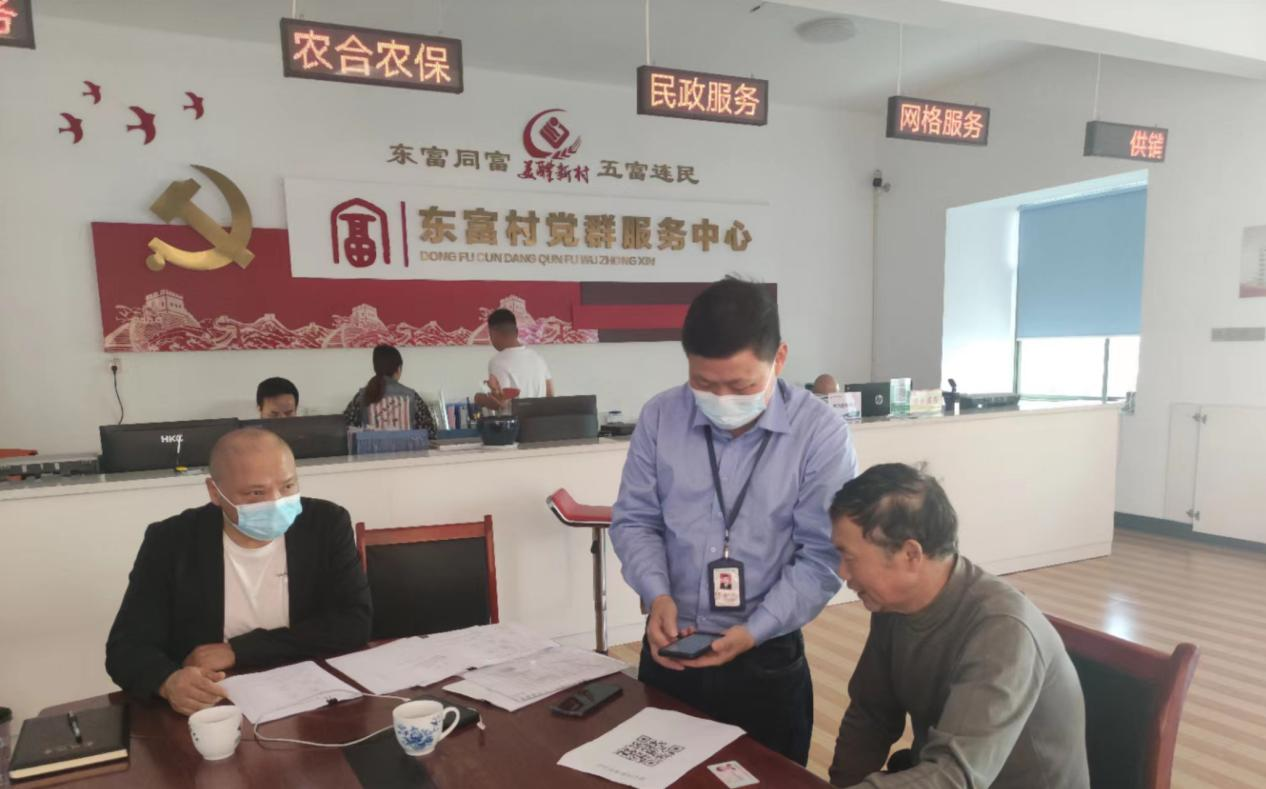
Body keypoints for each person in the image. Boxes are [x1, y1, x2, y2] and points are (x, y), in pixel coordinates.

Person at [610, 277, 859, 765]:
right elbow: (635, 521)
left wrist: (756, 629)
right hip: (672, 646)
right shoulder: (661, 417)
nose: (721, 399)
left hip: (765, 656)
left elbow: (822, 555)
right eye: (703, 384)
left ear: (779, 358)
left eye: (742, 386)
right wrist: (658, 594)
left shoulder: (819, 433)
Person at [828, 463, 1089, 788]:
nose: (842, 572)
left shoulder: (1002, 630)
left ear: (910, 554)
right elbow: (871, 716)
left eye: (850, 557)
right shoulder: (892, 606)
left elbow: (955, 776)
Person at [104, 428, 372, 717]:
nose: (276, 502)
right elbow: (126, 648)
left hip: (309, 696)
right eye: (256, 493)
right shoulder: (171, 542)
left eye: (287, 486)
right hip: (216, 704)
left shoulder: (326, 524)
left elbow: (354, 622)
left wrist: (239, 651)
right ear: (215, 492)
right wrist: (167, 682)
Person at [343, 344, 436, 436]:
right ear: (399, 369)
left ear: (376, 369)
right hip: (407, 446)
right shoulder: (412, 396)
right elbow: (430, 432)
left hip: (371, 446)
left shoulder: (362, 396)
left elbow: (346, 427)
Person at [473, 308, 553, 411]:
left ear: (493, 334)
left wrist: (480, 398)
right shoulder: (538, 358)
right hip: (540, 419)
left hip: (516, 420)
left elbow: (501, 403)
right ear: (516, 332)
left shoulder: (497, 362)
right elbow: (550, 395)